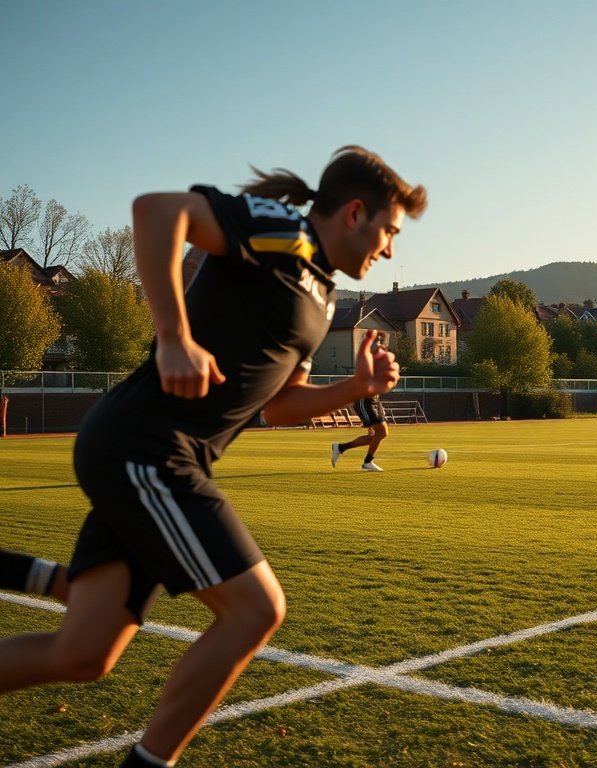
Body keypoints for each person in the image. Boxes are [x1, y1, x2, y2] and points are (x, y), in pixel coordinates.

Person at [0, 145, 426, 768]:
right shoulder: (282, 231)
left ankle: (29, 575)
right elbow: (156, 212)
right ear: (355, 212)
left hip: (158, 455)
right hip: (148, 447)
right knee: (257, 609)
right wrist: (172, 336)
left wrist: (357, 389)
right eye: (389, 231)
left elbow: (278, 408)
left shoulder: (324, 298)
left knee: (84, 653)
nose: (389, 248)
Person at [331, 395, 389, 471]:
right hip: (365, 402)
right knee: (381, 431)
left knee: (380, 434)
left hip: (370, 402)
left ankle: (341, 447)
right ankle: (368, 462)